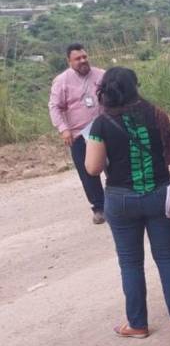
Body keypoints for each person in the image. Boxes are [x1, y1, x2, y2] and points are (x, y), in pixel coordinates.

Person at [84, 67, 170, 338]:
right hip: (158, 193)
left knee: (130, 263)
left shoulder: (101, 124)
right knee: (167, 257)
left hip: (121, 199)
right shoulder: (157, 114)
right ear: (135, 86)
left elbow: (93, 168)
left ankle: (138, 324)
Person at [48, 43, 106, 224]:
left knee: (117, 167)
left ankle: (119, 203)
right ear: (69, 61)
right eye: (78, 59)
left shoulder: (101, 75)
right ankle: (99, 208)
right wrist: (63, 129)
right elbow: (54, 107)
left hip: (105, 130)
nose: (83, 61)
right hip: (80, 135)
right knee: (88, 172)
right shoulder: (62, 81)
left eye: (84, 57)